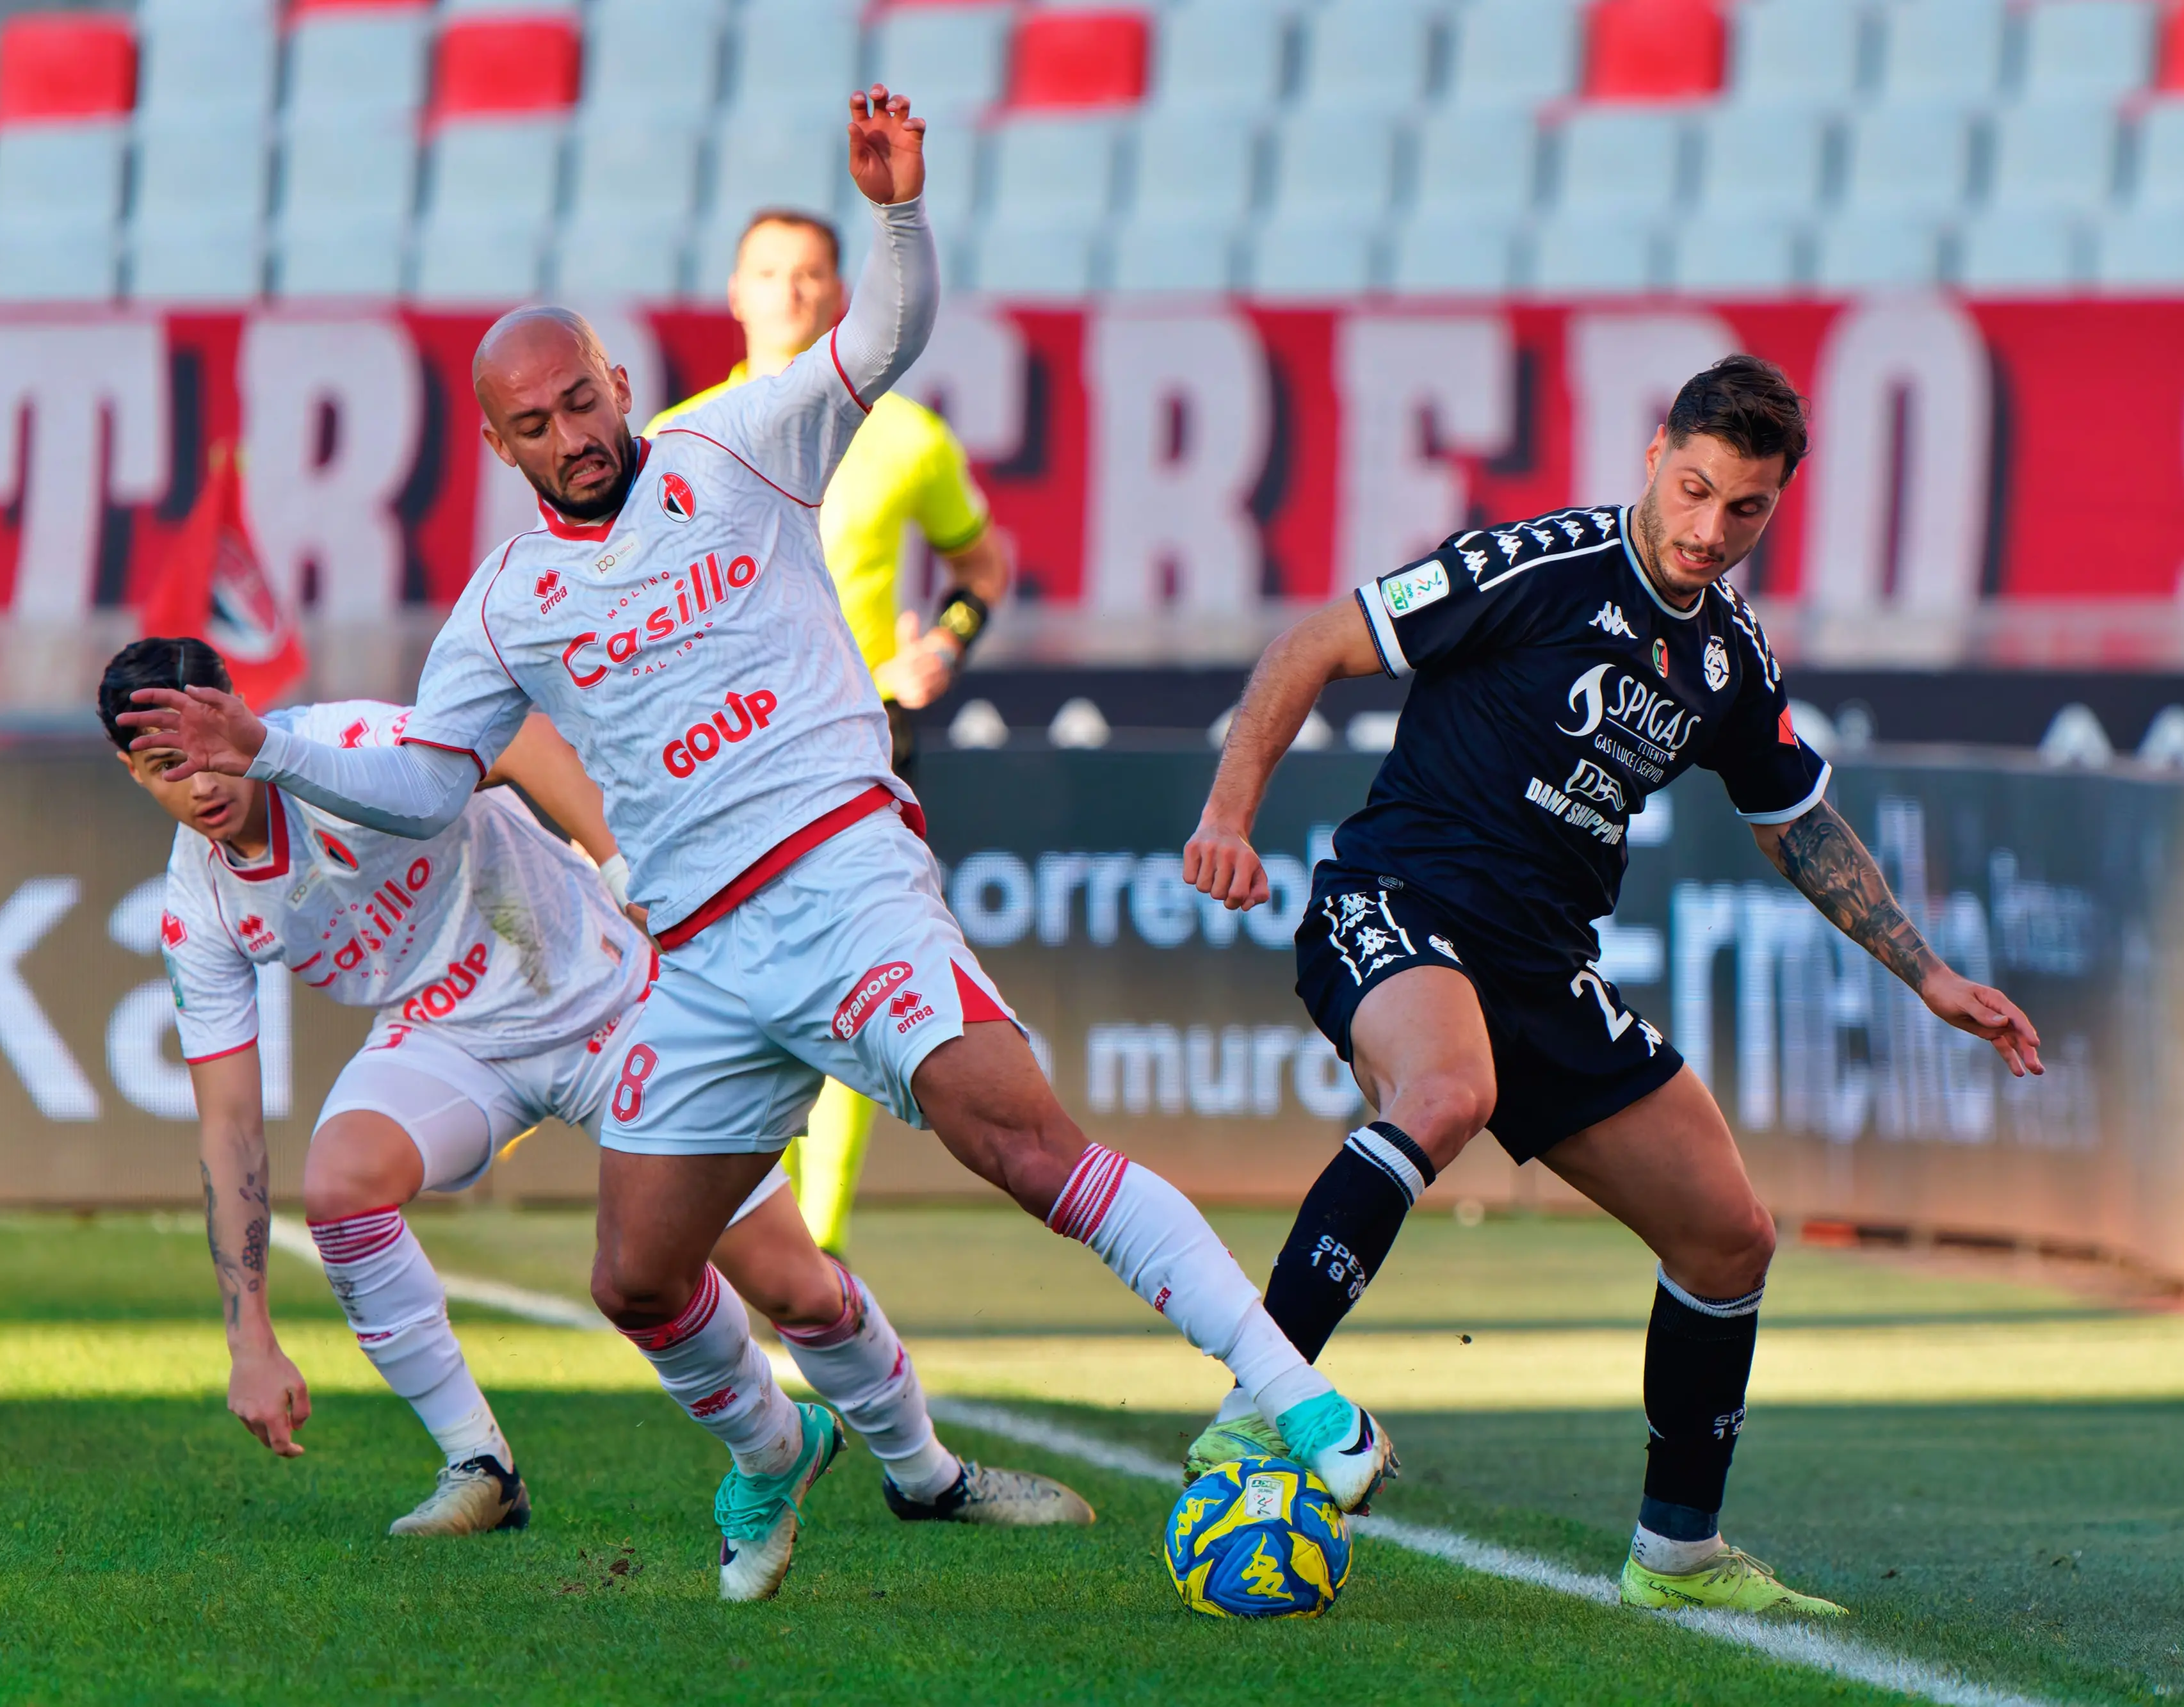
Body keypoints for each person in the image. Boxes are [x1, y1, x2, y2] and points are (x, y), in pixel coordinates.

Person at [120, 88, 1395, 1606]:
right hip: (697, 960)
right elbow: (422, 779)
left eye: (583, 399)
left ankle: (1298, 1397)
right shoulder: (508, 604)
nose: (573, 435)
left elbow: (888, 337)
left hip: (840, 875)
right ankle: (774, 1451)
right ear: (496, 441)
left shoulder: (740, 442)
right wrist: (265, 744)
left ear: (615, 375)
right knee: (637, 1276)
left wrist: (898, 211)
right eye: (534, 424)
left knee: (1020, 1142)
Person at [1182, 355, 2044, 1618]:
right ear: (1652, 454)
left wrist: (1924, 972)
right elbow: (1312, 642)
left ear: (1773, 505)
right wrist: (1227, 813)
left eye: (1741, 509)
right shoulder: (1535, 566)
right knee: (1444, 1090)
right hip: (1398, 901)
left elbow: (1794, 823)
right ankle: (1258, 1408)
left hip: (1540, 969)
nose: (1707, 530)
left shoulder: (1729, 662)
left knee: (1727, 1237)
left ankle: (1676, 1557)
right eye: (1691, 489)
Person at [106, 636, 1090, 1552]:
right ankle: (483, 1464)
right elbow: (230, 1123)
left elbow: (521, 738)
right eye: (164, 770)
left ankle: (928, 1474)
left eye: (207, 751)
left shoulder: (339, 747)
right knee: (341, 1187)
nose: (201, 784)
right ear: (132, 776)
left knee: (790, 1282)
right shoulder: (200, 907)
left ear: (234, 712)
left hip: (610, 993)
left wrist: (627, 869)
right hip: (452, 1036)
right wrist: (251, 1340)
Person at [647, 206, 1015, 1259]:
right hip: (730, 748)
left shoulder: (903, 434)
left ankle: (820, 1237)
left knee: (862, 977)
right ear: (735, 291)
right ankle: (764, 1223)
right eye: (769, 271)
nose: (792, 291)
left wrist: (947, 640)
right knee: (745, 989)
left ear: (838, 292)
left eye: (811, 274)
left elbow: (983, 567)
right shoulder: (676, 434)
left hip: (862, 736)